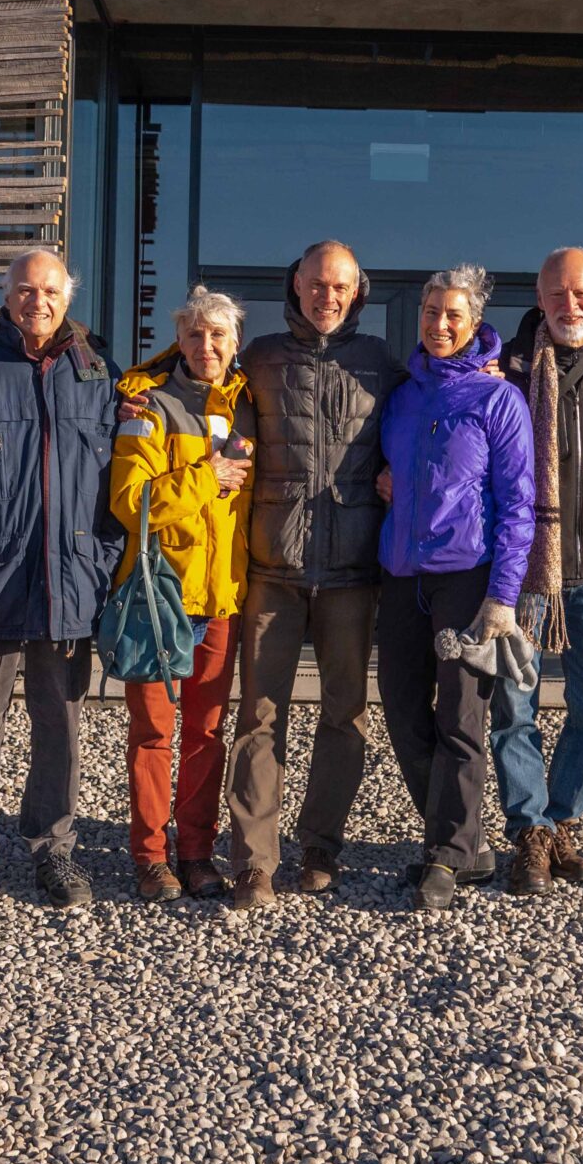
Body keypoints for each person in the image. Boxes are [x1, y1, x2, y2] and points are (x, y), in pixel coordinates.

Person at [0, 246, 123, 916]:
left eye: (50, 291)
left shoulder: (99, 376)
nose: (37, 301)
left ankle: (52, 849)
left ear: (69, 297)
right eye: (25, 289)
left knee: (58, 727)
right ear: (6, 296)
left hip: (69, 587)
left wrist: (101, 562)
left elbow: (121, 488)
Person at [224, 239, 403, 910]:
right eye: (316, 284)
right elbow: (221, 422)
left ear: (358, 293)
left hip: (354, 571)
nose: (328, 296)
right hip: (275, 567)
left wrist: (401, 475)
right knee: (259, 716)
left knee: (344, 713)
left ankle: (321, 844)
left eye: (341, 286)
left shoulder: (381, 364)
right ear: (295, 285)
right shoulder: (261, 358)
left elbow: (422, 429)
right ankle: (253, 861)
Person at [374, 263, 535, 912]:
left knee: (460, 715)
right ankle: (465, 840)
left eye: (453, 315)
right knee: (401, 705)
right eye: (430, 311)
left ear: (475, 324)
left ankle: (446, 851)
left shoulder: (499, 400)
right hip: (401, 574)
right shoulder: (404, 394)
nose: (439, 324)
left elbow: (518, 503)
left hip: (467, 578)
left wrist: (503, 595)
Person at [108, 286, 256, 903]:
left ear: (235, 342)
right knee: (152, 734)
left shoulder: (250, 403)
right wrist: (206, 475)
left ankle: (196, 853)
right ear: (179, 339)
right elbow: (130, 502)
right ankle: (149, 856)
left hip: (222, 598)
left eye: (218, 336)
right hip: (156, 597)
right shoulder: (149, 403)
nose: (206, 347)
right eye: (195, 335)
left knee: (206, 734)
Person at [491, 246, 583, 896]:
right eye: (557, 293)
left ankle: (562, 817)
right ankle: (530, 834)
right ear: (539, 298)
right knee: (514, 710)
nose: (569, 305)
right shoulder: (509, 368)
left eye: (582, 294)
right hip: (522, 580)